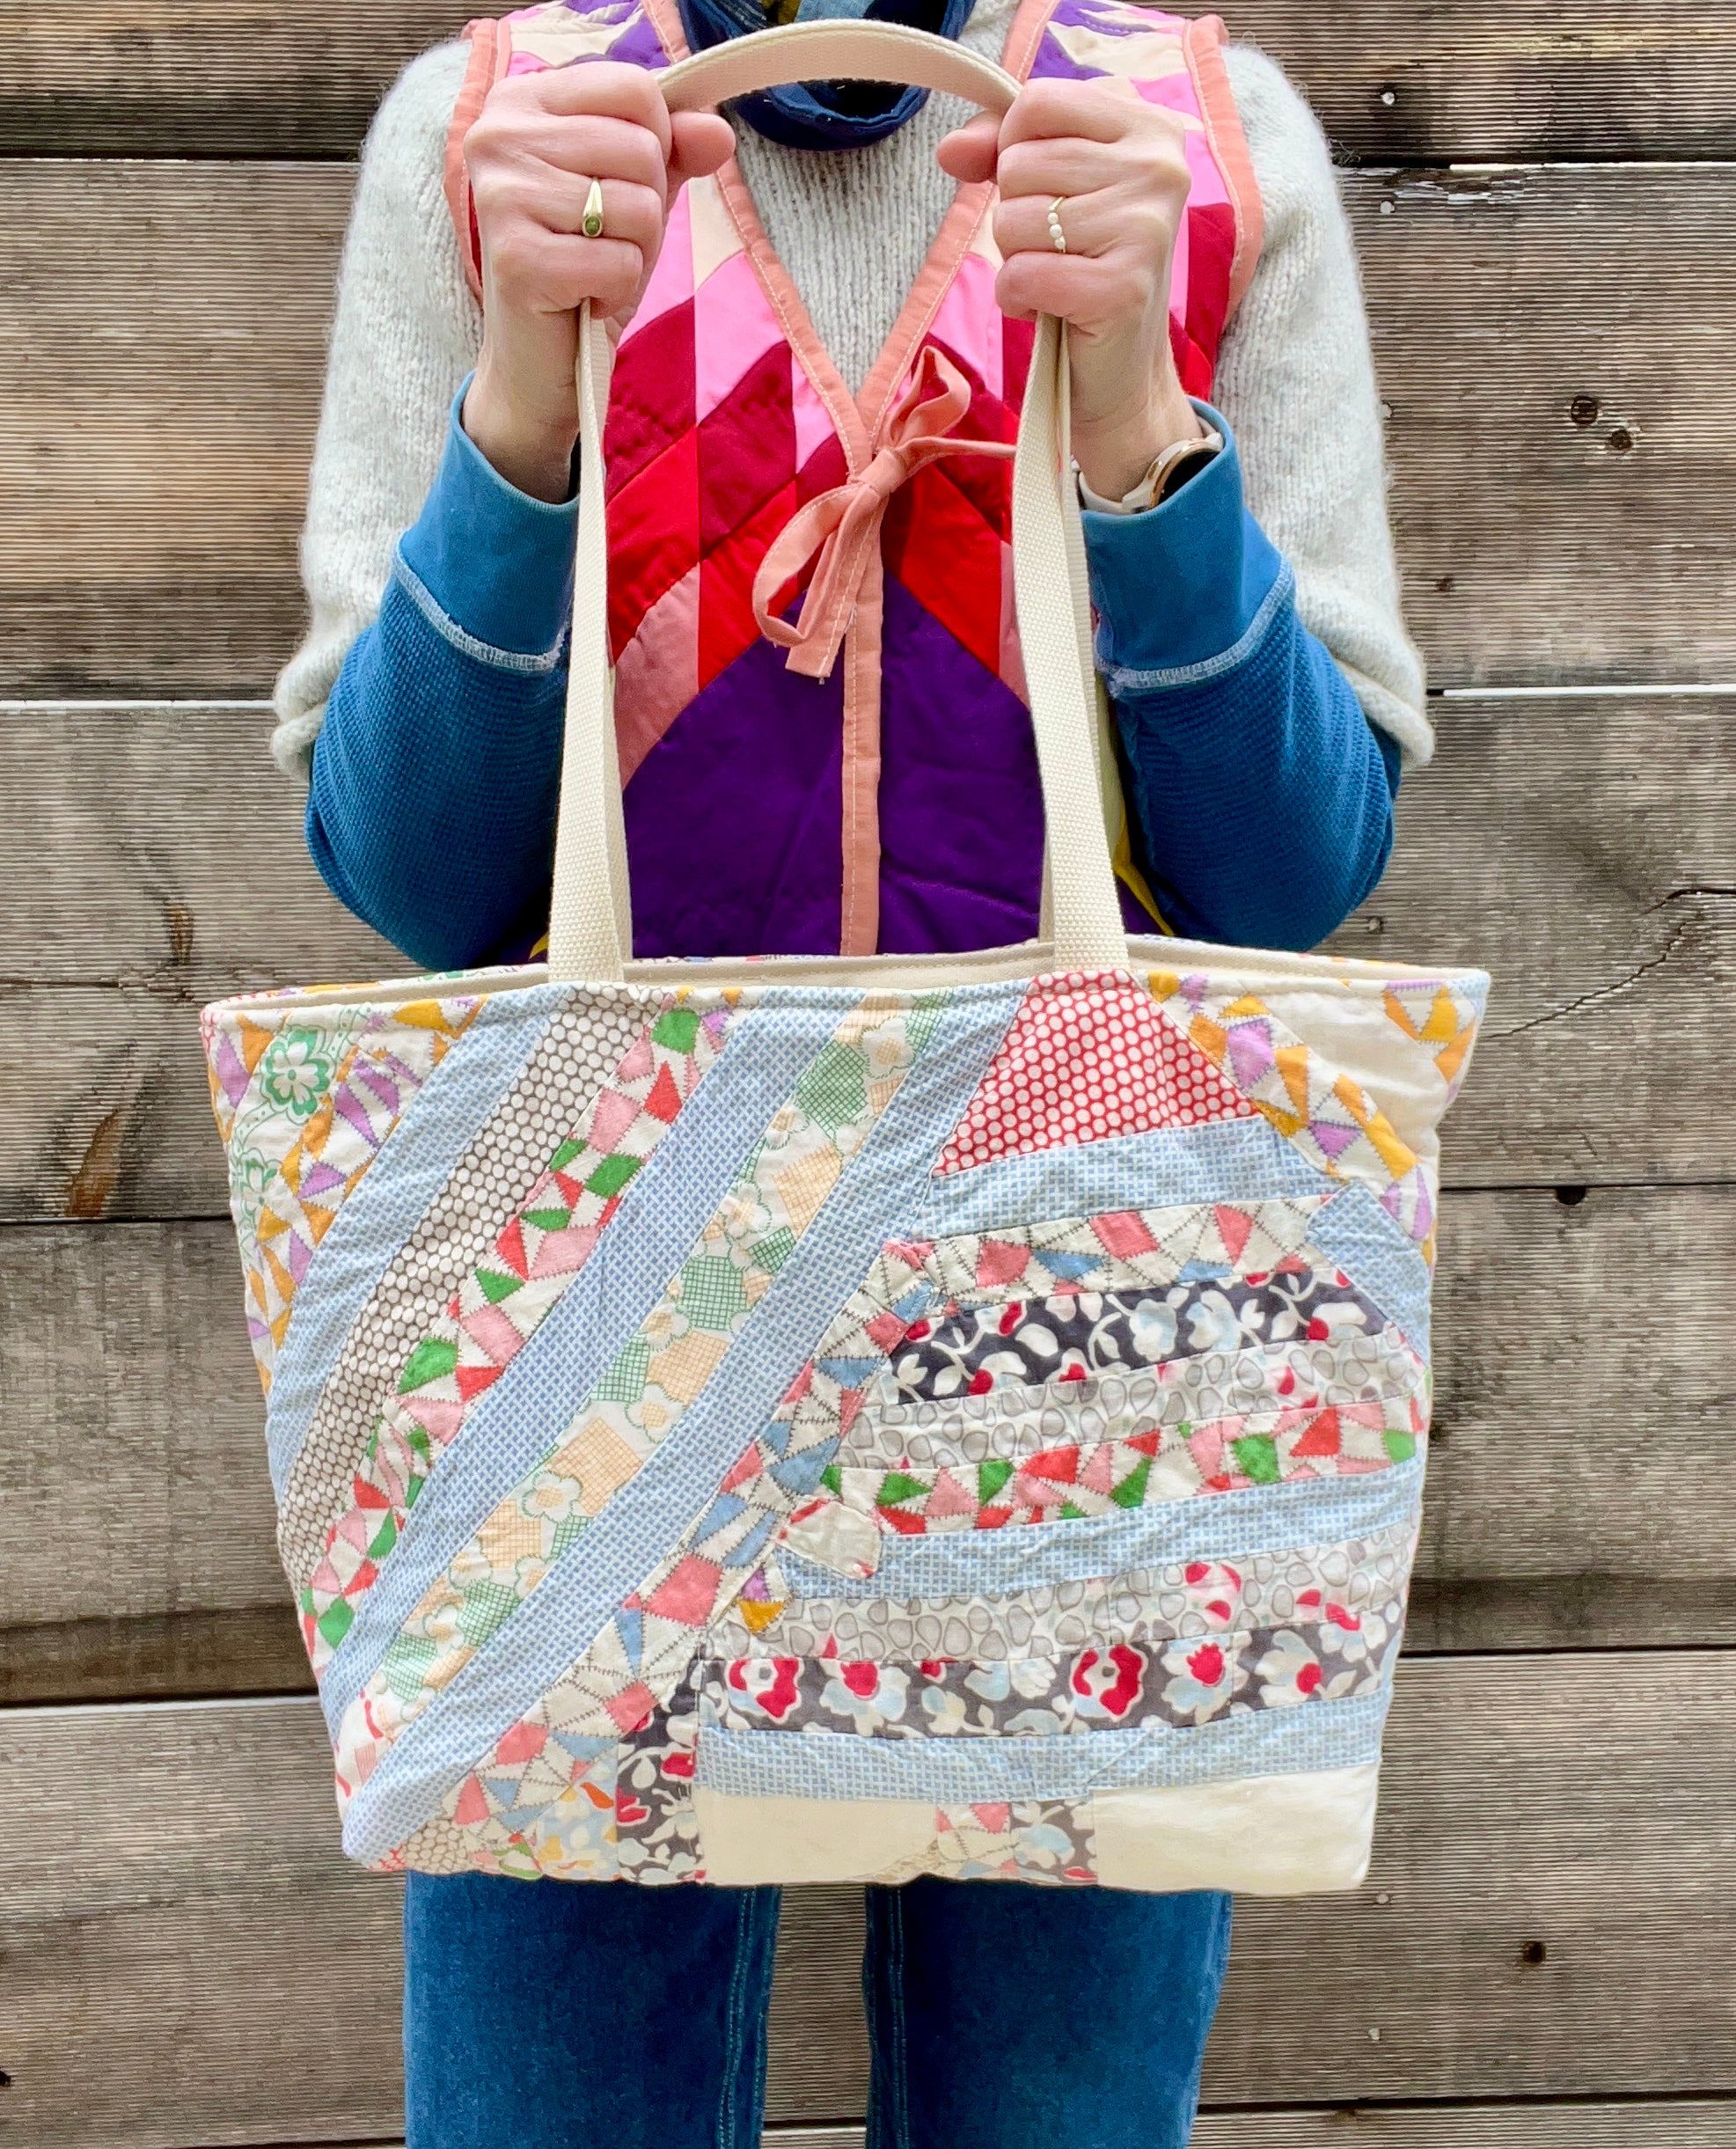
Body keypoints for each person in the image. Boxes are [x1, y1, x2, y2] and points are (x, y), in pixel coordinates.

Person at [274, 0, 1428, 2139]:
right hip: (586, 1324)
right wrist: (526, 411)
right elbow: (414, 875)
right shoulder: (498, 136)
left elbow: (1300, 866)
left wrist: (1143, 440)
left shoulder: (1200, 145)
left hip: (1103, 1322)